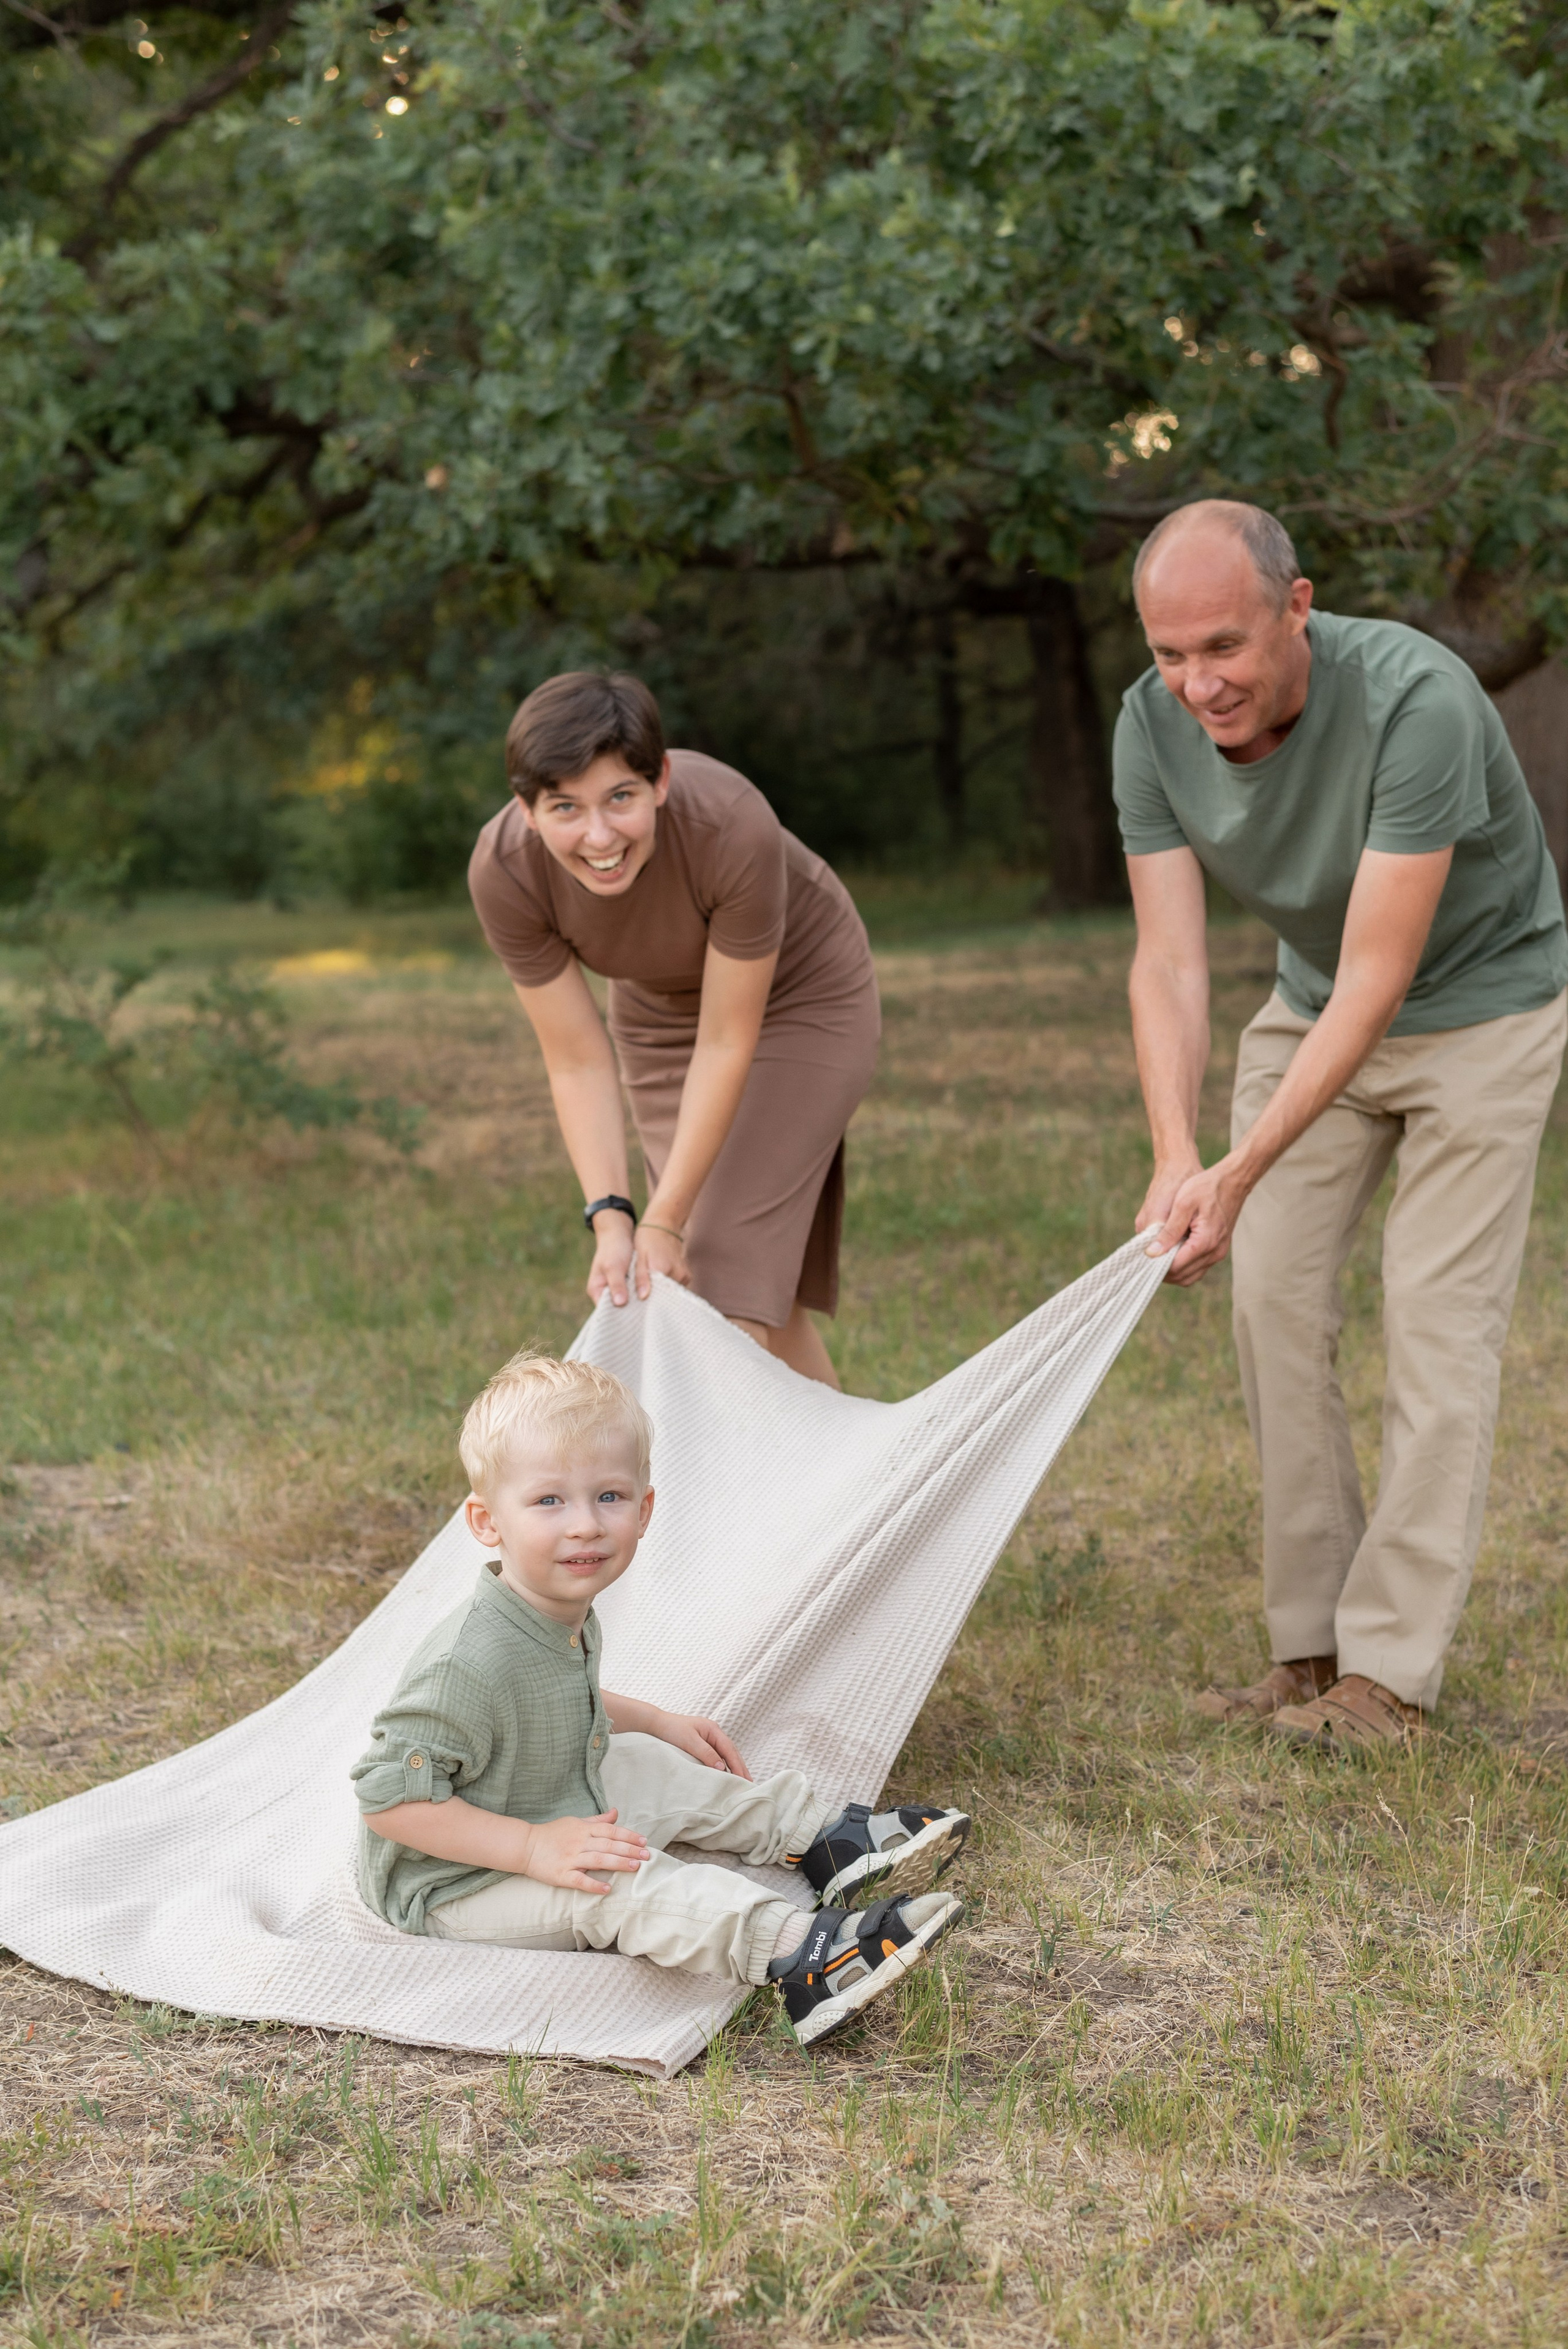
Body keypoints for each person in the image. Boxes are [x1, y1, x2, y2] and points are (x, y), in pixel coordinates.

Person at [1115, 499, 1567, 1749]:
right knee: (1266, 1299)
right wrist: (1177, 1156)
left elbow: (1381, 974)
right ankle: (1307, 1651)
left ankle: (1388, 1678)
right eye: (1168, 655)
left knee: (1433, 1321)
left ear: (1296, 608)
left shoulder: (1416, 701)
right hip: (1310, 1008)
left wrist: (1242, 1163)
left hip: (1479, 1010)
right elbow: (1168, 962)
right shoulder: (1147, 726)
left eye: (1223, 647)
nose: (1196, 684)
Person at [349, 1352, 969, 2048]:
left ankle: (825, 1838)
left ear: (644, 1510)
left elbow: (553, 1698)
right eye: (549, 1500)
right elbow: (388, 1799)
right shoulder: (467, 1659)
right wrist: (531, 1848)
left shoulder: (552, 1606)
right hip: (454, 1885)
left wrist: (656, 1720)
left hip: (533, 1797)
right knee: (619, 1881)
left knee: (642, 1759)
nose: (584, 1524)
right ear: (487, 1521)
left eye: (608, 1496)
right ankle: (804, 1956)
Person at [468, 672, 880, 1389]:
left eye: (619, 798)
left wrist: (666, 1221)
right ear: (527, 811)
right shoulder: (506, 872)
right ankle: (858, 1494)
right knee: (711, 1278)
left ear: (660, 779)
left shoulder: (729, 824)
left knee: (715, 1262)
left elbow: (727, 1039)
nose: (598, 836)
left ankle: (759, 1498)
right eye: (566, 807)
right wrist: (615, 1219)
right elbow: (575, 1062)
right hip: (658, 1014)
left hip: (802, 993)